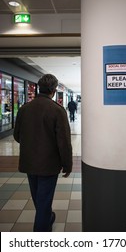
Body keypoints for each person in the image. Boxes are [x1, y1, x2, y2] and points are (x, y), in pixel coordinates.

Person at [13, 74, 72, 232]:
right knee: (44, 199)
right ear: (53, 90)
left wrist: (32, 146)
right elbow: (64, 142)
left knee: (38, 197)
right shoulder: (57, 111)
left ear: (40, 88)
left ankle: (47, 218)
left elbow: (16, 135)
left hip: (29, 162)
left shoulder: (24, 109)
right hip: (49, 164)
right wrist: (67, 165)